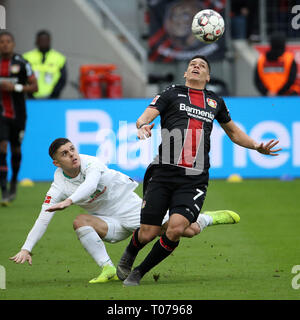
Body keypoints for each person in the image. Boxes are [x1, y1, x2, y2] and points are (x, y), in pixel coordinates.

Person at [116, 55, 282, 286]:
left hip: (194, 178)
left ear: (208, 76)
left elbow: (233, 132)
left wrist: (256, 145)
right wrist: (143, 126)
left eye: (202, 65)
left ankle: (139, 272)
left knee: (175, 229)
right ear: (186, 73)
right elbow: (145, 116)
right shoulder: (171, 93)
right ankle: (130, 253)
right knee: (147, 232)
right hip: (163, 172)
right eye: (192, 64)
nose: (196, 66)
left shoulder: (215, 102)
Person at [9, 138, 240, 284]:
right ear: (56, 163)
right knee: (80, 222)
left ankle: (208, 218)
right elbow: (44, 216)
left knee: (187, 230)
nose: (72, 155)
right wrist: (26, 248)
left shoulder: (91, 163)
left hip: (132, 210)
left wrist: (68, 201)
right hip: (109, 223)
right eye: (65, 154)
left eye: (72, 149)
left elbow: (89, 186)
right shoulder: (58, 185)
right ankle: (107, 268)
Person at [0, 31, 38, 205]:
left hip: (19, 115)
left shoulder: (22, 63)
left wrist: (15, 88)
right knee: (2, 147)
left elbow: (34, 86)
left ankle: (14, 180)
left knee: (16, 150)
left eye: (8, 41)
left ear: (13, 44)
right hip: (1, 114)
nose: (5, 44)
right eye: (2, 42)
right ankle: (4, 189)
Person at [23, 30, 67, 99]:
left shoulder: (59, 58)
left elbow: (62, 79)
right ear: (36, 41)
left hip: (53, 98)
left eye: (45, 40)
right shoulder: (26, 57)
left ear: (50, 41)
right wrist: (29, 92)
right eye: (41, 40)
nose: (43, 42)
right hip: (30, 98)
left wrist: (54, 94)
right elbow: (22, 77)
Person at [254, 32, 300, 96]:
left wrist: (267, 92)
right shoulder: (289, 58)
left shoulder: (261, 59)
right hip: (287, 96)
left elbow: (257, 80)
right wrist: (278, 93)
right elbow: (291, 79)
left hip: (268, 97)